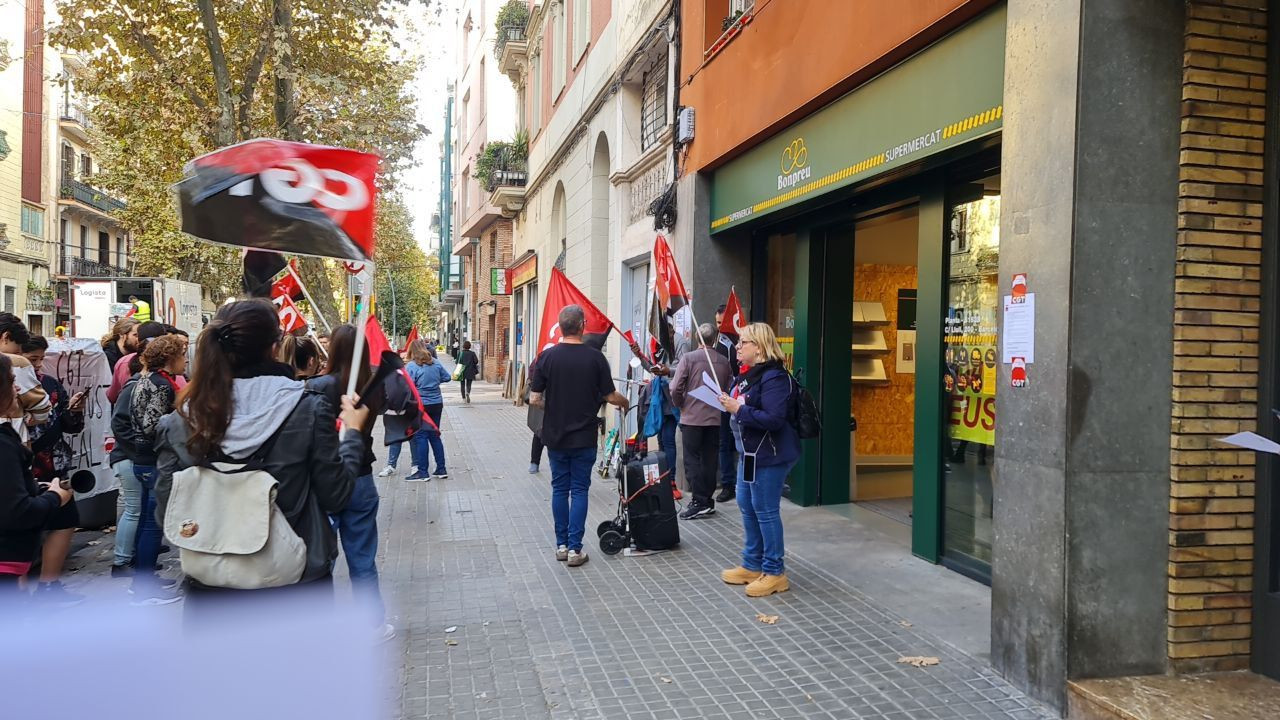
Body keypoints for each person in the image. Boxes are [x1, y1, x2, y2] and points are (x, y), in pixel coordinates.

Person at [154, 301, 367, 615]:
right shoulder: (308, 408)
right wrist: (352, 434)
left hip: (213, 587)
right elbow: (336, 495)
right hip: (296, 583)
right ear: (275, 346)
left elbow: (165, 511)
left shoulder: (179, 421)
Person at [306, 324, 393, 641]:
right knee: (362, 559)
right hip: (361, 477)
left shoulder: (315, 386)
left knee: (320, 558)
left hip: (325, 478)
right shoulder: (372, 385)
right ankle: (373, 624)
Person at [530, 306, 629, 568]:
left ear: (560, 327)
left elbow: (534, 398)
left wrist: (554, 407)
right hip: (584, 436)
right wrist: (625, 401)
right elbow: (610, 396)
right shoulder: (595, 358)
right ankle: (576, 549)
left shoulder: (546, 358)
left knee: (560, 489)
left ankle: (561, 546)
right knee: (580, 490)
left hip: (555, 436)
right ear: (583, 326)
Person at [718, 322, 800, 598]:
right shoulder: (748, 376)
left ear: (760, 346)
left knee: (765, 510)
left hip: (769, 455)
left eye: (743, 343)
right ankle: (753, 564)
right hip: (749, 454)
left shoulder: (774, 377)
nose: (738, 347)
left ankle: (774, 572)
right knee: (747, 505)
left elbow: (774, 419)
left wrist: (738, 408)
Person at [0, 354, 73, 601]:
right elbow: (18, 512)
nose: (18, 388)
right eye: (11, 381)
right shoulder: (4, 445)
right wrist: (54, 497)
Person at [22, 336, 88, 606]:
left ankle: (49, 585)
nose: (37, 365)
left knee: (64, 520)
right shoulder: (12, 389)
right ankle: (20, 594)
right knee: (23, 528)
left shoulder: (49, 385)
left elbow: (71, 428)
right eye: (32, 359)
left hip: (55, 467)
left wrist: (74, 412)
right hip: (24, 469)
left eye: (40, 359)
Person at [128, 334, 188, 605]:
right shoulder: (163, 386)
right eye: (182, 355)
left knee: (145, 521)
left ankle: (143, 578)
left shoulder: (143, 380)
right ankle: (143, 588)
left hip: (140, 458)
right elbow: (155, 425)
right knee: (153, 524)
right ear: (170, 358)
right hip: (154, 460)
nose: (185, 360)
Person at [670, 324, 732, 520]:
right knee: (709, 460)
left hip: (692, 417)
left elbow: (675, 388)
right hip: (714, 418)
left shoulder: (688, 358)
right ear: (715, 339)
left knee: (691, 460)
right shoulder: (724, 361)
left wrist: (680, 405)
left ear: (697, 338)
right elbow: (729, 387)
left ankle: (699, 500)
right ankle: (706, 500)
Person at [403, 340, 449, 481]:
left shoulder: (411, 365)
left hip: (421, 405)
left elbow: (408, 385)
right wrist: (434, 382)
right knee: (435, 435)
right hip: (437, 403)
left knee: (421, 436)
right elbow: (447, 377)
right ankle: (441, 469)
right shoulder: (434, 362)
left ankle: (422, 472)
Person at [714, 305, 740, 503]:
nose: (719, 327)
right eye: (716, 323)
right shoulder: (717, 344)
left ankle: (741, 483)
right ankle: (727, 484)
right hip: (723, 399)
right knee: (724, 443)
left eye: (722, 323)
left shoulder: (742, 342)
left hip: (741, 400)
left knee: (740, 442)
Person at [106, 321, 168, 404]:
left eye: (137, 336)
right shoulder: (169, 364)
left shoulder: (123, 362)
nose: (136, 339)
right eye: (135, 335)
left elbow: (112, 396)